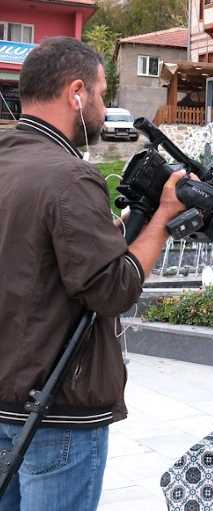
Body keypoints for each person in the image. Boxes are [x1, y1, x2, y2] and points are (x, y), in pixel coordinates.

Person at [0, 37, 186, 511]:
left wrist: (117, 229)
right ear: (76, 93)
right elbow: (114, 289)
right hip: (54, 413)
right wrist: (163, 218)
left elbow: (33, 253)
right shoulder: (69, 176)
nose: (105, 108)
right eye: (103, 94)